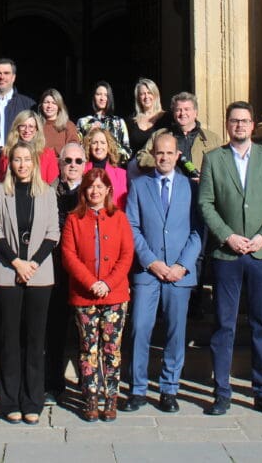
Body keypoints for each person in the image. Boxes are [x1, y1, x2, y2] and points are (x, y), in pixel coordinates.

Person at [198, 102, 262, 417]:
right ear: (227, 125)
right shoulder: (213, 159)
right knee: (224, 324)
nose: (239, 126)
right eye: (234, 121)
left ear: (253, 126)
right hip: (228, 253)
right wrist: (228, 236)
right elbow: (206, 203)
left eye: (245, 121)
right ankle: (222, 392)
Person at [120, 131, 201, 414]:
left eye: (169, 153)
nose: (164, 157)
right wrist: (151, 261)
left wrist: (182, 265)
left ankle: (169, 389)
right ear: (153, 155)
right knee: (140, 328)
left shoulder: (191, 187)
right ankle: (138, 389)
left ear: (178, 155)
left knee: (175, 332)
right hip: (148, 271)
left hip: (179, 272)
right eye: (160, 153)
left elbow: (197, 230)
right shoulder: (140, 186)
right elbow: (132, 227)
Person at [0, 141, 60, 424]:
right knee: (9, 339)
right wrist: (17, 262)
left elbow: (53, 232)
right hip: (8, 272)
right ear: (10, 163)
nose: (22, 164)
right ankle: (9, 401)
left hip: (39, 274)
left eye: (27, 159)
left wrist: (32, 264)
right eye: (17, 159)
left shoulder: (47, 194)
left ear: (35, 162)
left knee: (34, 339)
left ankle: (33, 400)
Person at [62, 168, 135, 422]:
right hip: (85, 295)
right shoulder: (74, 219)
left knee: (111, 349)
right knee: (88, 348)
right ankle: (90, 397)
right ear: (84, 191)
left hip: (114, 295)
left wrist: (108, 282)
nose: (95, 191)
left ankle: (111, 396)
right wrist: (92, 283)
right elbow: (69, 256)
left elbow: (127, 255)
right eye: (90, 187)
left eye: (100, 187)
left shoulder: (120, 218)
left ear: (108, 191)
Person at [46, 141, 86, 401]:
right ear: (59, 164)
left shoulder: (92, 191)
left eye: (77, 161)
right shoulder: (48, 192)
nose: (72, 165)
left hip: (85, 269)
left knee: (87, 331)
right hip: (56, 267)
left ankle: (88, 383)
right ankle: (53, 384)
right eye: (67, 161)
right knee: (55, 328)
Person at [136, 91, 221, 173]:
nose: (182, 113)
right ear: (173, 113)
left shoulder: (212, 139)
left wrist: (205, 179)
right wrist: (163, 162)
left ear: (196, 112)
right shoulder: (159, 135)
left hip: (201, 186)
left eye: (187, 109)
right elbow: (141, 158)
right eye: (178, 110)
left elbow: (222, 167)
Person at [0, 109, 59, 184]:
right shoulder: (6, 153)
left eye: (31, 126)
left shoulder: (48, 154)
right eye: (23, 126)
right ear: (17, 128)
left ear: (37, 129)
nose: (27, 130)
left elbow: (52, 184)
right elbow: (0, 181)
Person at [76, 81, 132, 160]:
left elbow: (127, 151)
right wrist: (89, 135)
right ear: (93, 97)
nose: (102, 98)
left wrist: (109, 150)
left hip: (112, 166)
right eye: (98, 94)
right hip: (89, 166)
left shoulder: (119, 122)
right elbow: (76, 151)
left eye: (106, 95)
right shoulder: (82, 122)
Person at [83, 125, 129, 207]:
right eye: (94, 143)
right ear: (89, 147)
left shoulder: (121, 174)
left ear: (108, 146)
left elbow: (123, 204)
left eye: (102, 142)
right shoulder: (82, 171)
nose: (98, 147)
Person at [125, 78, 167, 158]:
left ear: (155, 95)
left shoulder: (166, 118)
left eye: (149, 93)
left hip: (159, 166)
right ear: (138, 98)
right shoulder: (131, 121)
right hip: (136, 166)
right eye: (142, 94)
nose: (146, 96)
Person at [39, 88, 80, 155]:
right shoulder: (36, 125)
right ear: (41, 105)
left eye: (54, 103)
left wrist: (53, 150)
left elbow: (73, 148)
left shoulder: (68, 125)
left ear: (59, 106)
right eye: (46, 102)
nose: (49, 106)